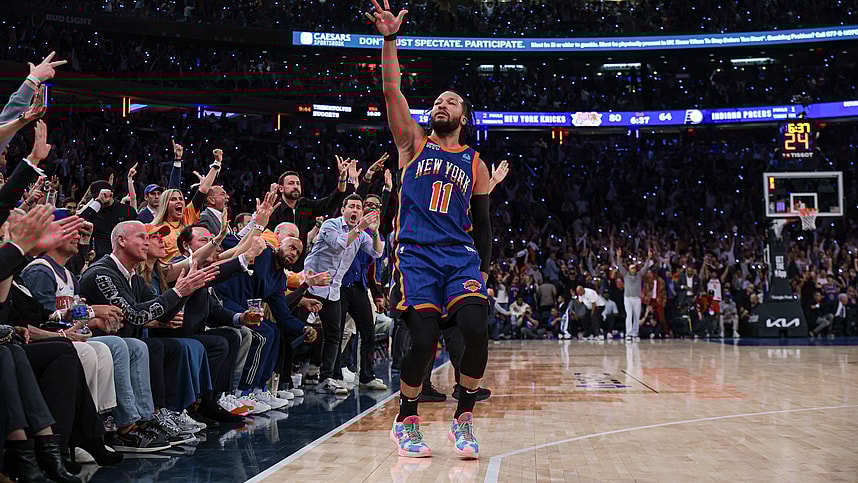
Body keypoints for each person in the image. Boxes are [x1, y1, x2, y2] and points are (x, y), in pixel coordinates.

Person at [368, 0, 500, 459]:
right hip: (417, 254)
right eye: (438, 100)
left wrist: (480, 272)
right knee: (423, 339)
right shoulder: (412, 144)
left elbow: (482, 226)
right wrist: (390, 39)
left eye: (452, 101)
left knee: (476, 327)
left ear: (464, 117)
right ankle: (406, 419)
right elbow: (392, 92)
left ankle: (463, 419)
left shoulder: (475, 163)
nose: (441, 104)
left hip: (460, 256)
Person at [302, 194, 384, 395]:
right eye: (352, 207)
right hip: (310, 285)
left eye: (358, 207)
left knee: (334, 334)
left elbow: (377, 253)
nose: (356, 210)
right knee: (299, 331)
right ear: (343, 210)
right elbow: (339, 244)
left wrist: (374, 233)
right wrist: (360, 228)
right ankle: (290, 378)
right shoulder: (330, 225)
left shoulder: (362, 233)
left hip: (333, 289)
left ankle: (326, 378)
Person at [614, 248, 653, 341]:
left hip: (637, 298)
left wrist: (649, 258)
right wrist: (618, 257)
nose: (633, 270)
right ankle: (628, 333)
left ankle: (635, 334)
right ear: (629, 269)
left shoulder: (639, 275)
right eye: (632, 268)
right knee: (629, 315)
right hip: (628, 298)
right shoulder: (625, 275)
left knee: (636, 316)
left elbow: (645, 267)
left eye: (634, 268)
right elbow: (619, 266)